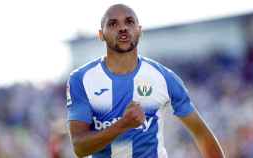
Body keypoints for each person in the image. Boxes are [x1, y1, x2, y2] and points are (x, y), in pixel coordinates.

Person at [66, 4, 225, 158]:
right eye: (113, 23)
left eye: (129, 22)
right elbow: (80, 147)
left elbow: (201, 133)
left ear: (139, 30)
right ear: (101, 35)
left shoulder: (163, 77)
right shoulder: (81, 79)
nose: (123, 28)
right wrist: (123, 124)